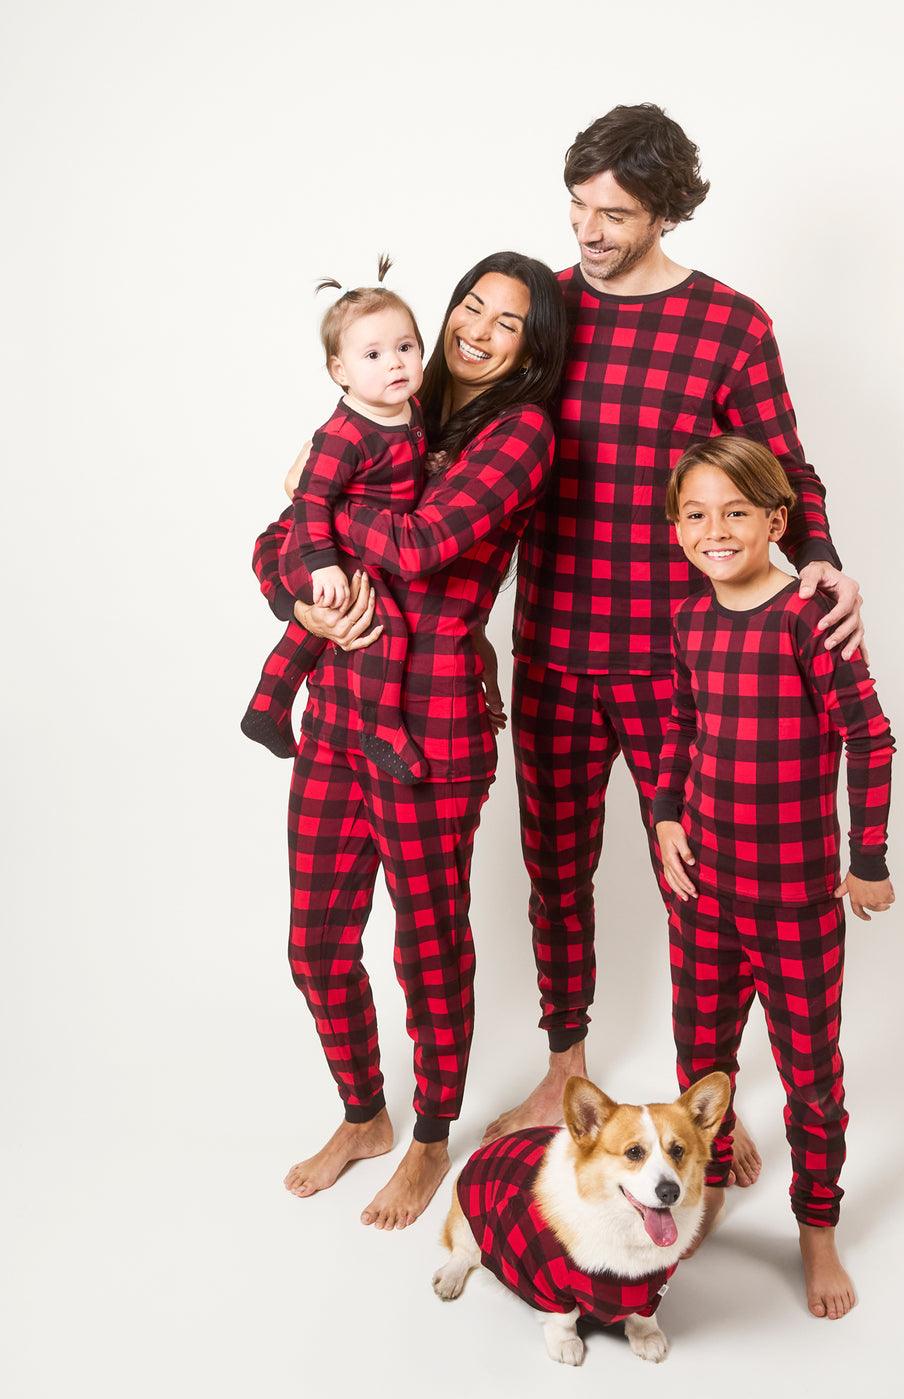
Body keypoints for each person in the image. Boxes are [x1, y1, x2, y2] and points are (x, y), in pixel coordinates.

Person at [487, 104, 867, 1172]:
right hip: (553, 645)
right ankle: (567, 1065)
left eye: (615, 213)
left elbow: (782, 471)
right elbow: (455, 415)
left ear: (665, 212)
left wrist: (822, 558)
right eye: (577, 206)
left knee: (702, 889)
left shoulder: (730, 326)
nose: (589, 229)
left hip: (678, 666)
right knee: (553, 869)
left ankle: (711, 1107)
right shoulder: (547, 308)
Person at [249, 251, 567, 1228]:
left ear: (530, 347)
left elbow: (425, 546)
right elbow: (274, 548)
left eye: (506, 321)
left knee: (427, 948)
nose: (478, 327)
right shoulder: (394, 404)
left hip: (434, 726)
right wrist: (306, 590)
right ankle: (363, 1115)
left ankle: (431, 1135)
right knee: (315, 945)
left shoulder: (520, 435)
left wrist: (325, 502)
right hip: (340, 713)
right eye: (471, 303)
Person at [654, 435, 895, 1318]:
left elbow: (870, 736)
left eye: (737, 512)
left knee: (810, 1077)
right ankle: (709, 1181)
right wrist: (668, 815)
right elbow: (680, 726)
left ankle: (816, 1229)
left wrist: (865, 857)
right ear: (678, 528)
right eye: (697, 514)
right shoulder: (688, 621)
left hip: (796, 901)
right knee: (700, 1057)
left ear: (776, 521)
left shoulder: (806, 617)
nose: (716, 530)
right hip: (705, 894)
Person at [241, 262, 431, 783]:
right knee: (382, 626)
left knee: (313, 631)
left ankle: (267, 707)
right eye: (372, 355)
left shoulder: (408, 408)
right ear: (339, 371)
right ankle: (382, 727)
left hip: (348, 550)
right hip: (314, 548)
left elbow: (405, 460)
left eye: (406, 347)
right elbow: (309, 499)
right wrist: (321, 566)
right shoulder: (345, 432)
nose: (394, 363)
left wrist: (429, 461)